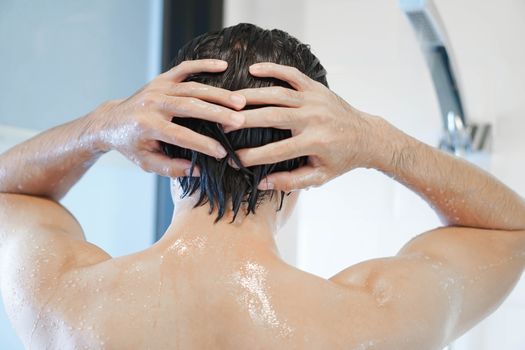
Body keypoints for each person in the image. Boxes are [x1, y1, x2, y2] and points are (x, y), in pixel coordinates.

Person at [0, 23, 523, 350]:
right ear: (307, 166)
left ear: (159, 144)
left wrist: (102, 126)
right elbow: (510, 229)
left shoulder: (66, 301)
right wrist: (375, 141)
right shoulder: (375, 319)